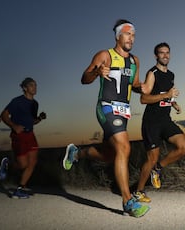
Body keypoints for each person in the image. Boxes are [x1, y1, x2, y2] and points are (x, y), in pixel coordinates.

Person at [62, 19, 150, 218]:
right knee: (125, 147)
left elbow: (134, 84)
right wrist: (96, 72)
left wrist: (141, 87)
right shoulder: (105, 55)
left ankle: (76, 154)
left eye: (134, 35)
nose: (132, 38)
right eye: (128, 34)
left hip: (124, 111)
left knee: (109, 155)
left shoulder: (135, 60)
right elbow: (84, 78)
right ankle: (128, 202)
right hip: (106, 107)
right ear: (118, 36)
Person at [133, 42, 185, 203]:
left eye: (167, 53)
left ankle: (157, 169)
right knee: (151, 159)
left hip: (166, 119)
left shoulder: (171, 74)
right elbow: (144, 99)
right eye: (161, 53)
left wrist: (173, 102)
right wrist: (166, 96)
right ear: (156, 56)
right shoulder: (152, 73)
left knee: (184, 147)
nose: (165, 55)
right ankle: (139, 192)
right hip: (152, 122)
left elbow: (167, 93)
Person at [0, 77, 47, 199]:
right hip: (18, 136)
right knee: (23, 164)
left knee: (33, 162)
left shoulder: (35, 104)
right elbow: (3, 115)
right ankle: (7, 165)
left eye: (35, 85)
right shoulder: (17, 101)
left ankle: (20, 189)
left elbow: (32, 121)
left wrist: (40, 118)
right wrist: (14, 126)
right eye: (31, 85)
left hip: (31, 135)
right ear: (25, 88)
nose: (34, 87)